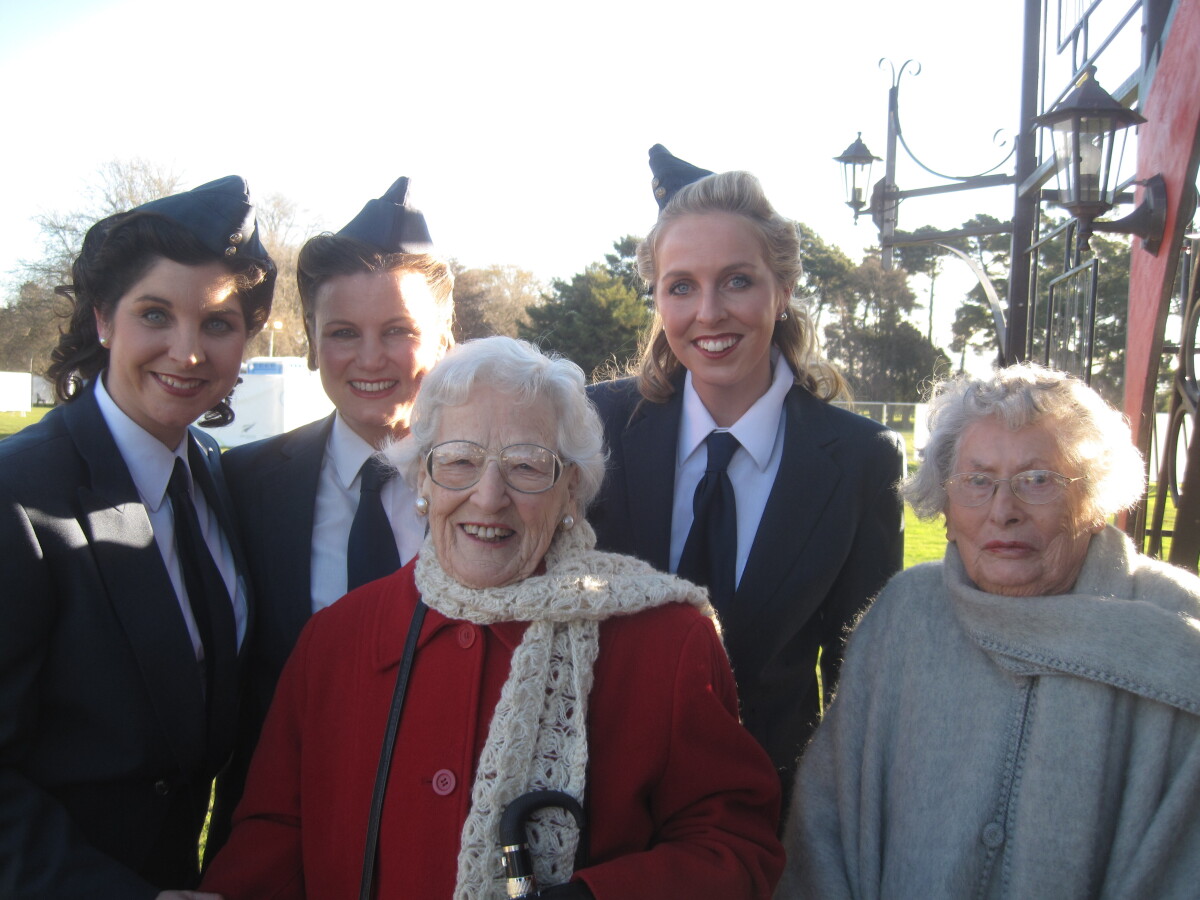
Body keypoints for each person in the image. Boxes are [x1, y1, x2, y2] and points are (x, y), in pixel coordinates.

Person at [201, 336, 784, 899]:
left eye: (527, 467)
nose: (487, 496)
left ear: (570, 490)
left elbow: (734, 845)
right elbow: (275, 834)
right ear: (420, 478)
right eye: (458, 461)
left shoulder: (664, 639)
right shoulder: (337, 640)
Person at [778, 363, 1200, 898]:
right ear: (947, 503)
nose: (1003, 510)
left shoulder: (1175, 624)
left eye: (1038, 480)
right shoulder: (904, 615)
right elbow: (823, 823)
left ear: (1093, 500)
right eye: (977, 481)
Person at [588, 145, 906, 799]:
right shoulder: (595, 427)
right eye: (681, 286)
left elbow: (861, 684)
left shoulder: (860, 461)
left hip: (766, 823)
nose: (709, 312)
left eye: (737, 280)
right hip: (600, 817)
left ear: (783, 289)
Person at [0, 177, 275, 896]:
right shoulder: (19, 496)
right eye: (155, 314)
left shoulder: (211, 472)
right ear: (102, 319)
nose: (187, 352)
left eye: (218, 323)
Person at [213, 177, 453, 843]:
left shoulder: (505, 489)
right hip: (292, 846)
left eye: (399, 331)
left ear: (441, 339)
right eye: (343, 332)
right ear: (313, 343)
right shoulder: (243, 487)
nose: (370, 359)